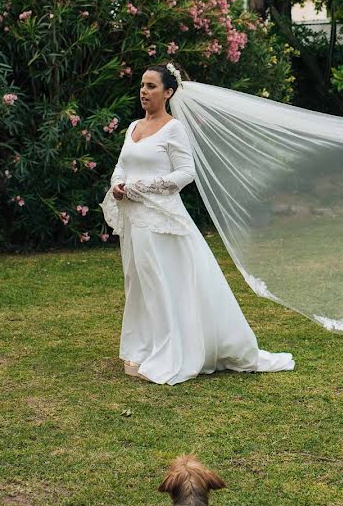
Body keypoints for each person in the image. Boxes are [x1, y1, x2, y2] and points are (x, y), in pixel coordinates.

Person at [100, 63, 294, 384]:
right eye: (142, 86)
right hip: (134, 217)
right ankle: (140, 347)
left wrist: (145, 186)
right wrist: (119, 184)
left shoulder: (173, 128)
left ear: (168, 92)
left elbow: (185, 173)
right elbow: (122, 165)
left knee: (160, 281)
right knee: (137, 281)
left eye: (151, 86)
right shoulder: (133, 126)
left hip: (161, 219)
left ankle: (172, 350)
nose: (144, 92)